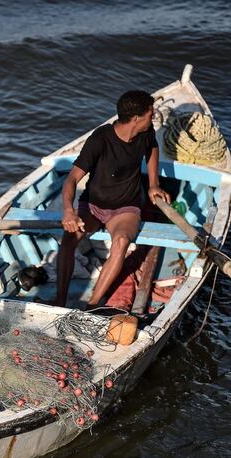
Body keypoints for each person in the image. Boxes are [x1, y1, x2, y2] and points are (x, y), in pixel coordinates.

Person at [54, 90, 171, 308]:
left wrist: (154, 183)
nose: (152, 117)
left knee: (121, 242)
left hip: (126, 207)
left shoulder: (146, 133)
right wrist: (68, 211)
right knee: (69, 240)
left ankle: (93, 304)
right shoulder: (100, 139)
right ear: (136, 118)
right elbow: (71, 179)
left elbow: (152, 148)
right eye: (150, 114)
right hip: (93, 205)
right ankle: (59, 300)